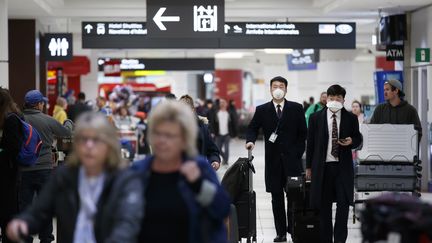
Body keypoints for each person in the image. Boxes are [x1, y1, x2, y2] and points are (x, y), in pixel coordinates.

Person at [7, 112, 143, 243]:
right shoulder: (64, 176)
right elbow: (40, 211)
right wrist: (23, 223)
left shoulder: (125, 179)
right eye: (83, 139)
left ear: (109, 145)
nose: (89, 146)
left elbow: (128, 222)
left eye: (96, 140)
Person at [132, 100, 230, 243]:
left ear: (184, 139)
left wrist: (199, 185)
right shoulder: (139, 172)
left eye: (170, 135)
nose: (162, 141)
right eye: (157, 134)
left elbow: (222, 208)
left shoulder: (199, 168)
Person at [246, 76, 307, 242]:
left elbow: (303, 133)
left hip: (292, 162)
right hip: (273, 163)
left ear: (286, 89)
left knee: (294, 198)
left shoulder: (296, 108)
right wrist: (250, 141)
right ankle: (280, 233)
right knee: (276, 198)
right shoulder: (262, 110)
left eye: (281, 86)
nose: (278, 88)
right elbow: (252, 128)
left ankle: (294, 230)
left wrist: (297, 152)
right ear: (270, 89)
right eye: (275, 86)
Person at [305, 85, 362, 243]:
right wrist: (309, 167)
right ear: (327, 99)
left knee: (343, 209)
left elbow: (358, 138)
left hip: (342, 169)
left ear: (344, 100)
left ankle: (340, 240)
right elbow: (310, 144)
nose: (335, 101)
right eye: (332, 98)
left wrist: (352, 141)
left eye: (338, 98)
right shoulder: (316, 118)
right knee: (324, 209)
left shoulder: (351, 118)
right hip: (323, 169)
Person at [18, 90, 72, 243]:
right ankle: (46, 239)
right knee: (45, 207)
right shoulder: (47, 120)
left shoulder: (19, 119)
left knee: (25, 207)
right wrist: (68, 122)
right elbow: (66, 133)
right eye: (42, 102)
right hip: (44, 170)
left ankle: (25, 238)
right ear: (38, 104)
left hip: (24, 170)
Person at [0, 88, 23, 243]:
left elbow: (13, 148)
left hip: (7, 175)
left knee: (7, 214)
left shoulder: (11, 119)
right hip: (6, 173)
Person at [180, 95, 221, 171]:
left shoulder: (202, 128)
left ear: (192, 109)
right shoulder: (172, 129)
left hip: (198, 172)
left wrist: (215, 161)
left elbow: (212, 150)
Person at [210, 99, 236, 165]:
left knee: (227, 148)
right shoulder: (217, 113)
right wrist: (213, 132)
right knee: (218, 149)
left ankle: (226, 161)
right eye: (221, 103)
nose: (222, 104)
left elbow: (233, 123)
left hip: (227, 134)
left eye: (224, 102)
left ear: (226, 104)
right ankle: (225, 158)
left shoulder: (228, 113)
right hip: (218, 134)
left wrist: (233, 133)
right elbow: (213, 123)